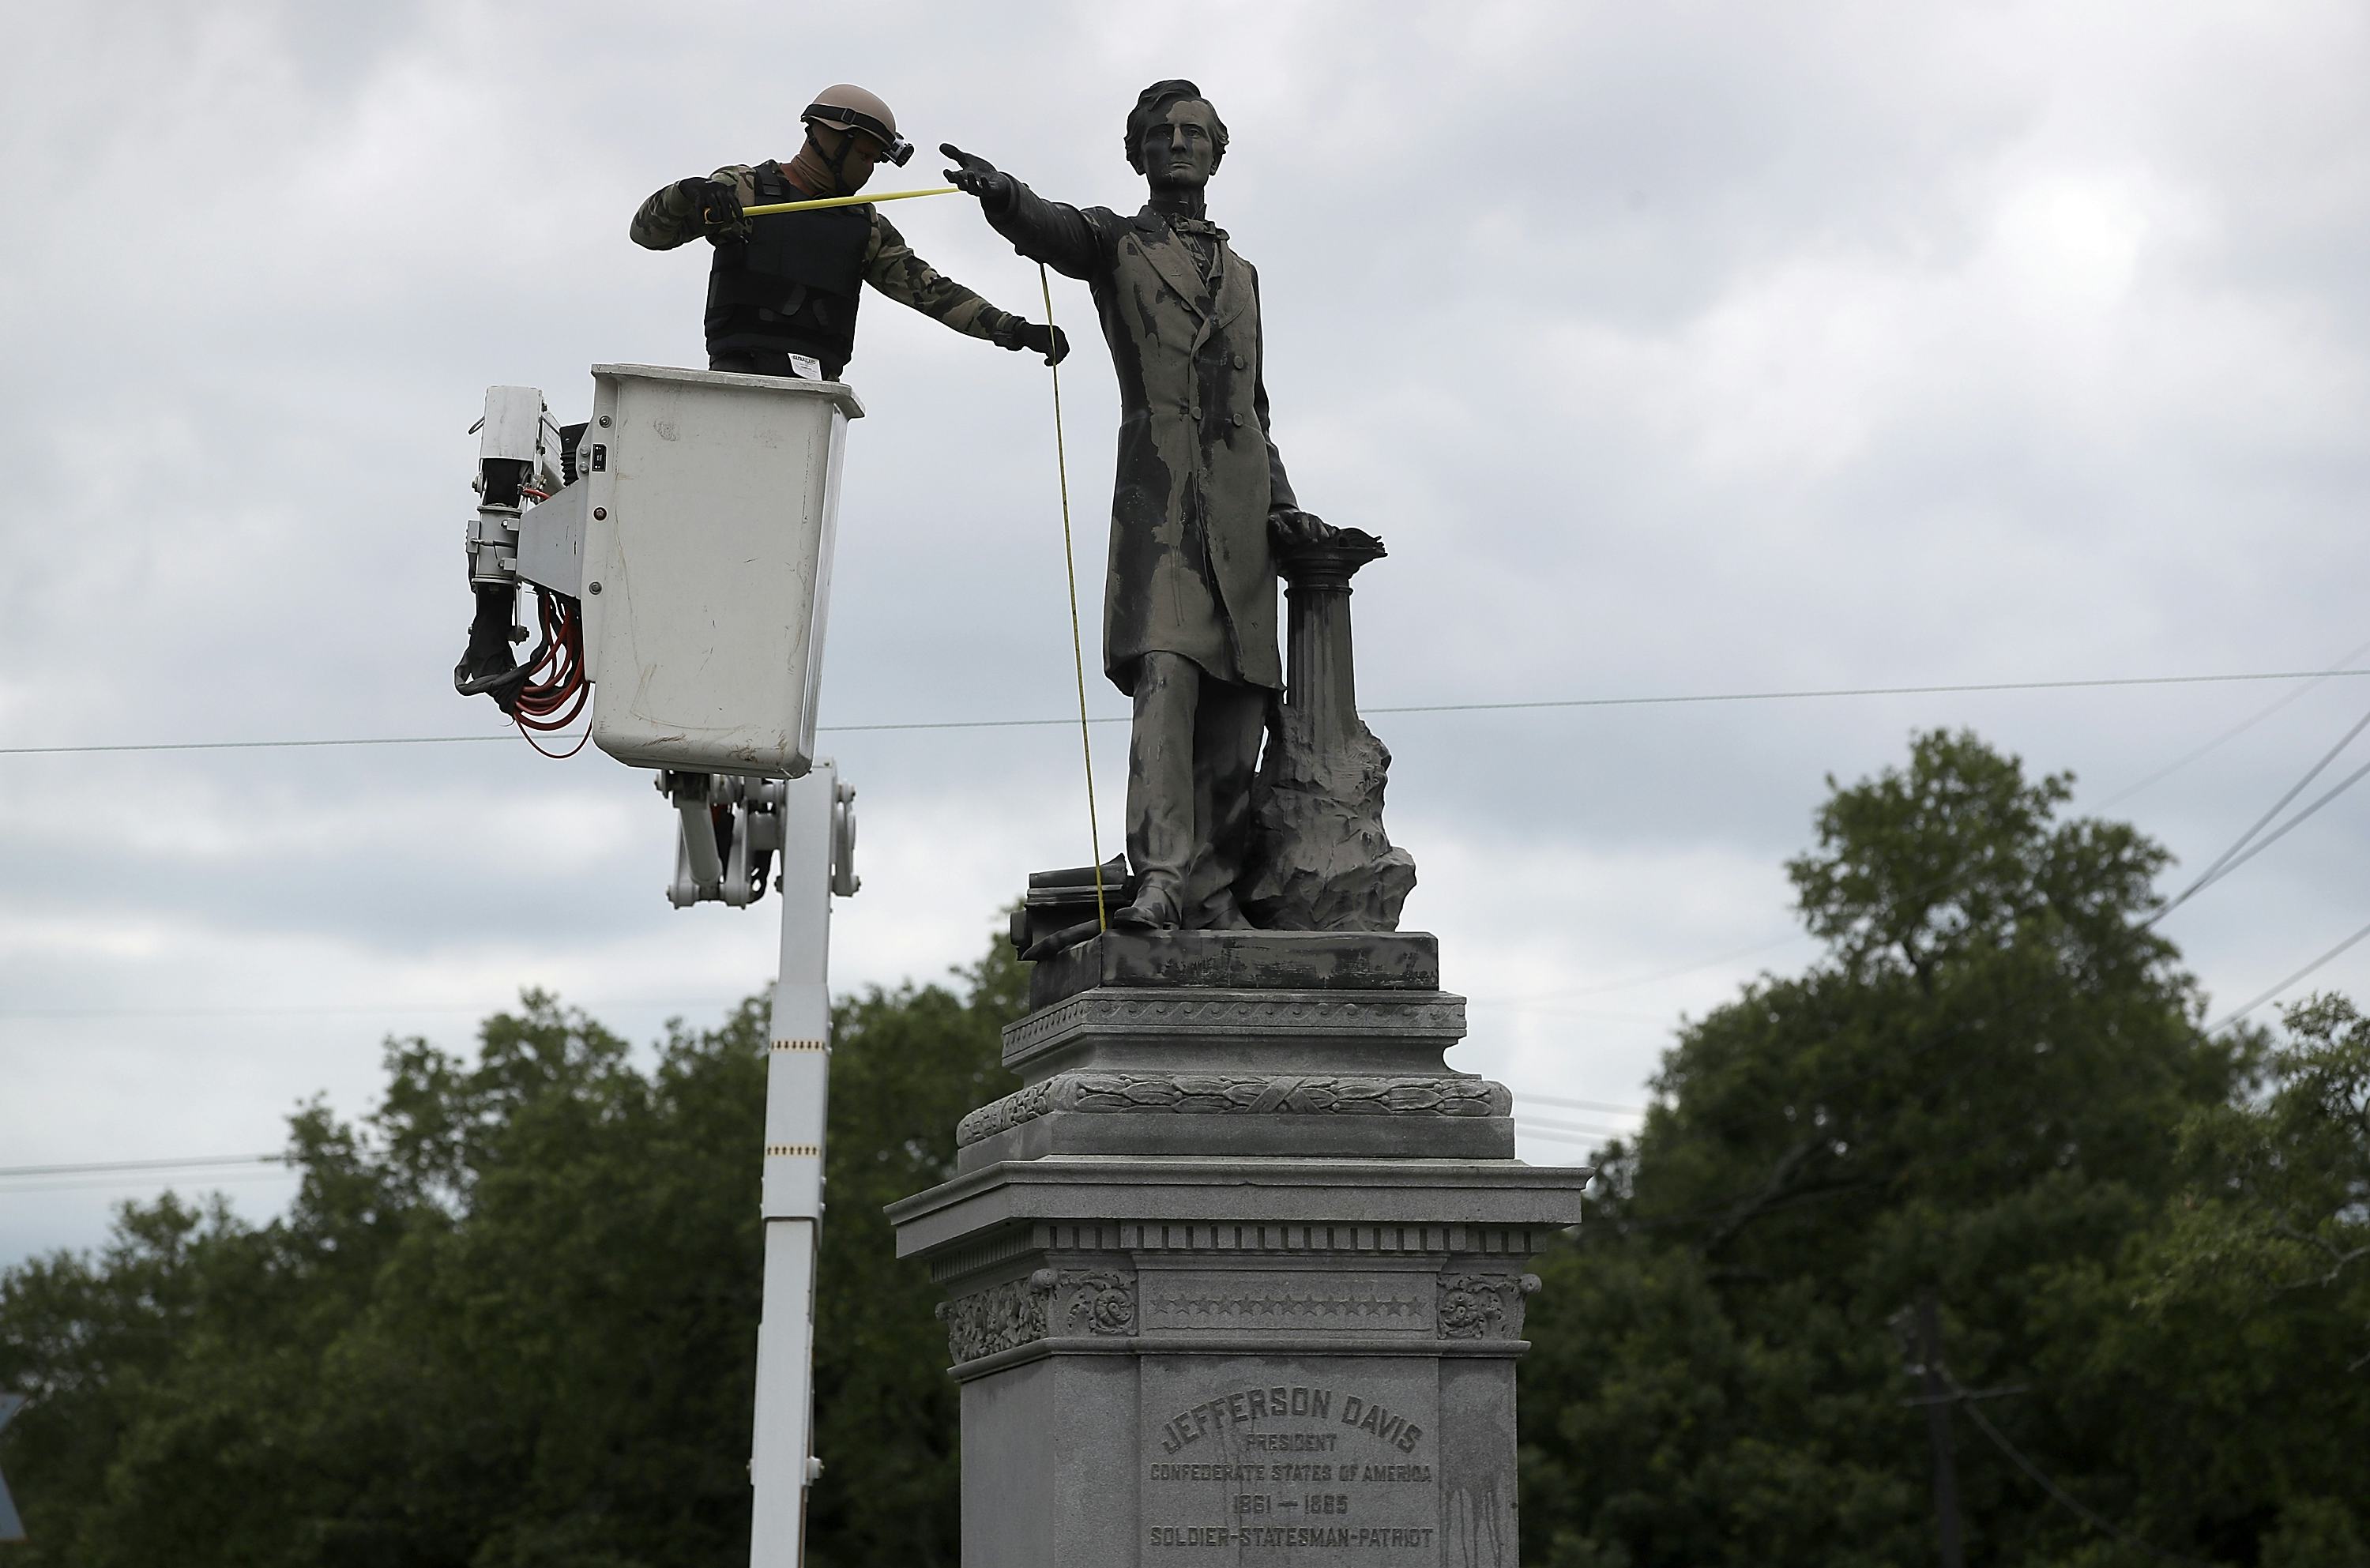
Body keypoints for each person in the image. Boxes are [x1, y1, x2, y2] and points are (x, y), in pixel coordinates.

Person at [942, 80, 1333, 932]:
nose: (1180, 144)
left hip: (1241, 516)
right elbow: (1052, 228)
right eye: (1163, 134)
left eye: (1196, 133)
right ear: (1141, 153)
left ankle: (1213, 886)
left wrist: (1287, 503)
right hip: (1159, 507)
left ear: (1218, 152)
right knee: (1167, 678)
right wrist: (1003, 195)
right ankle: (1159, 873)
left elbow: (1252, 407)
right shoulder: (1118, 242)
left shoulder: (1245, 274)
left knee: (1239, 706)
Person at [630, 84, 1068, 379]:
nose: (868, 170)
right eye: (865, 155)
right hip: (736, 380)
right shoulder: (741, 190)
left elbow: (935, 294)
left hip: (819, 393)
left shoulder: (866, 225)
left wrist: (1015, 329)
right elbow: (647, 234)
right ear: (831, 139)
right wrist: (687, 194)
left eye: (877, 161)